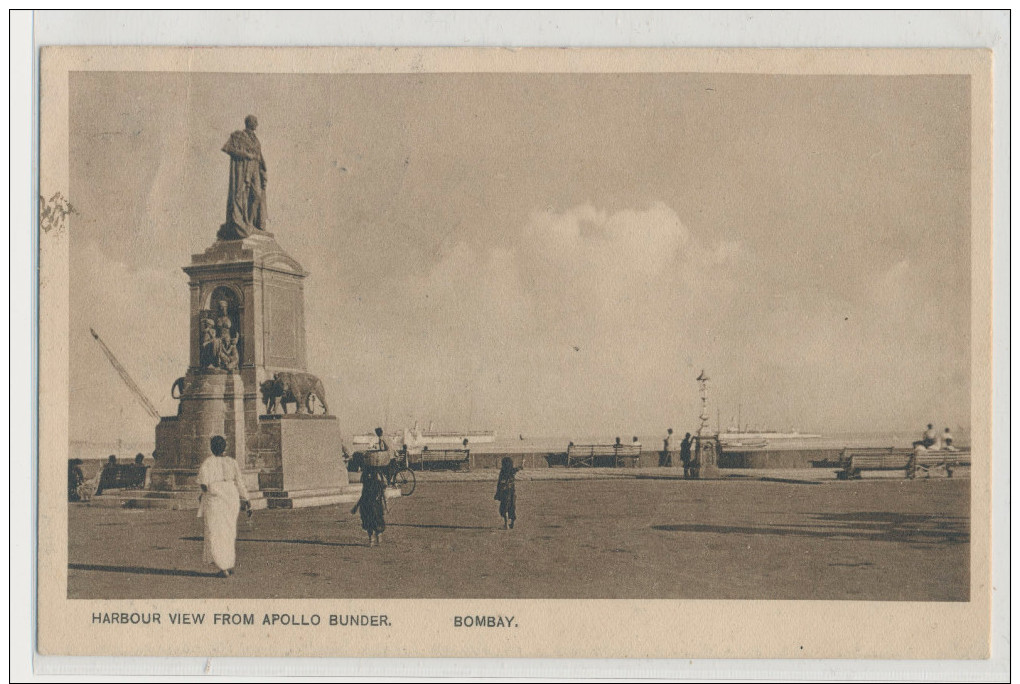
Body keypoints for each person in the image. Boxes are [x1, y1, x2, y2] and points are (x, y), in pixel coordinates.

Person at [197, 435, 250, 578]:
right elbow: (239, 482)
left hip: (215, 499)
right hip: (231, 498)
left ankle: (223, 567)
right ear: (224, 447)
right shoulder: (232, 462)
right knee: (229, 532)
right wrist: (246, 498)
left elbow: (203, 484)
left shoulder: (207, 463)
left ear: (212, 448)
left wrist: (203, 495)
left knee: (215, 532)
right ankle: (228, 563)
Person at [220, 115, 268, 238]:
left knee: (257, 195)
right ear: (249, 122)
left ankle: (251, 223)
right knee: (243, 195)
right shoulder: (238, 135)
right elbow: (227, 148)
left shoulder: (256, 140)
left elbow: (260, 156)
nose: (257, 123)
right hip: (244, 170)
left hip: (255, 169)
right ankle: (245, 222)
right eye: (255, 121)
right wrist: (244, 154)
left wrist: (263, 171)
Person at [351, 466, 387, 546]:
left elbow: (382, 491)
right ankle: (372, 538)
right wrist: (356, 506)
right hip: (368, 503)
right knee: (369, 521)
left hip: (373, 503)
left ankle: (376, 536)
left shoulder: (377, 476)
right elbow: (364, 494)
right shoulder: (369, 478)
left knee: (375, 519)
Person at [495, 457, 522, 529]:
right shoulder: (512, 471)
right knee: (512, 507)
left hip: (505, 492)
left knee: (504, 508)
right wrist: (522, 463)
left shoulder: (503, 471)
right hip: (512, 492)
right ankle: (512, 523)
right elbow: (518, 468)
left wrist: (498, 493)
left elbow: (500, 483)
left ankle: (506, 524)